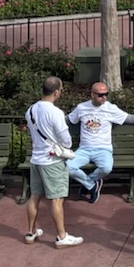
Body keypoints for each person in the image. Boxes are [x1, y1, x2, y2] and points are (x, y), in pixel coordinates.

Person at [65, 83, 134, 203]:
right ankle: (91, 185)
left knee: (106, 168)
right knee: (68, 167)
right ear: (92, 95)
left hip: (103, 149)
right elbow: (68, 120)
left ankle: (89, 183)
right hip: (84, 149)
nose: (104, 97)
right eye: (100, 95)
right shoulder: (81, 108)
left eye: (106, 94)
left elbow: (130, 118)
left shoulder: (111, 108)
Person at [23, 76, 83, 248]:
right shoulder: (55, 112)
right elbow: (66, 141)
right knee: (56, 200)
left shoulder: (31, 110)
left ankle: (30, 232)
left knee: (35, 196)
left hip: (36, 159)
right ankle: (61, 236)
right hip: (52, 161)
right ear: (56, 92)